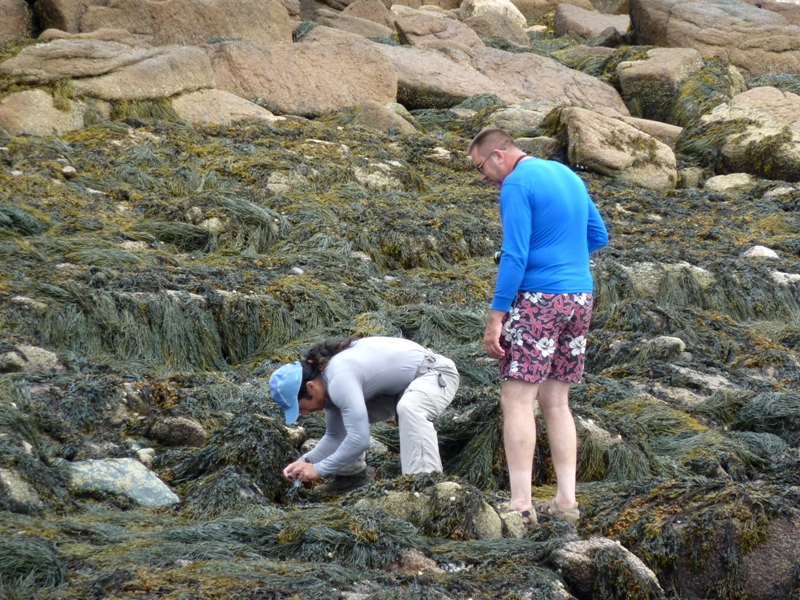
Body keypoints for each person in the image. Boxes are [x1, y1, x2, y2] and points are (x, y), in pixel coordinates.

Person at [468, 128, 608, 526]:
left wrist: (495, 316)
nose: (482, 178)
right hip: (580, 295)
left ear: (499, 155)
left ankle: (520, 505)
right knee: (557, 402)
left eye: (481, 168)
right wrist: (561, 254)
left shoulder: (516, 184)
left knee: (517, 399)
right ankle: (566, 501)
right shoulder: (567, 175)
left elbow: (514, 255)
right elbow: (598, 235)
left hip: (539, 299)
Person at [269, 336, 460, 495]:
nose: (302, 413)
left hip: (434, 374)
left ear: (311, 386)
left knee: (410, 408)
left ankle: (426, 488)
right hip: (400, 387)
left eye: (300, 406)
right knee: (349, 421)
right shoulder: (327, 384)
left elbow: (360, 440)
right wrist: (306, 462)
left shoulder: (338, 379)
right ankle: (350, 479)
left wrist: (318, 470)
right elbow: (336, 437)